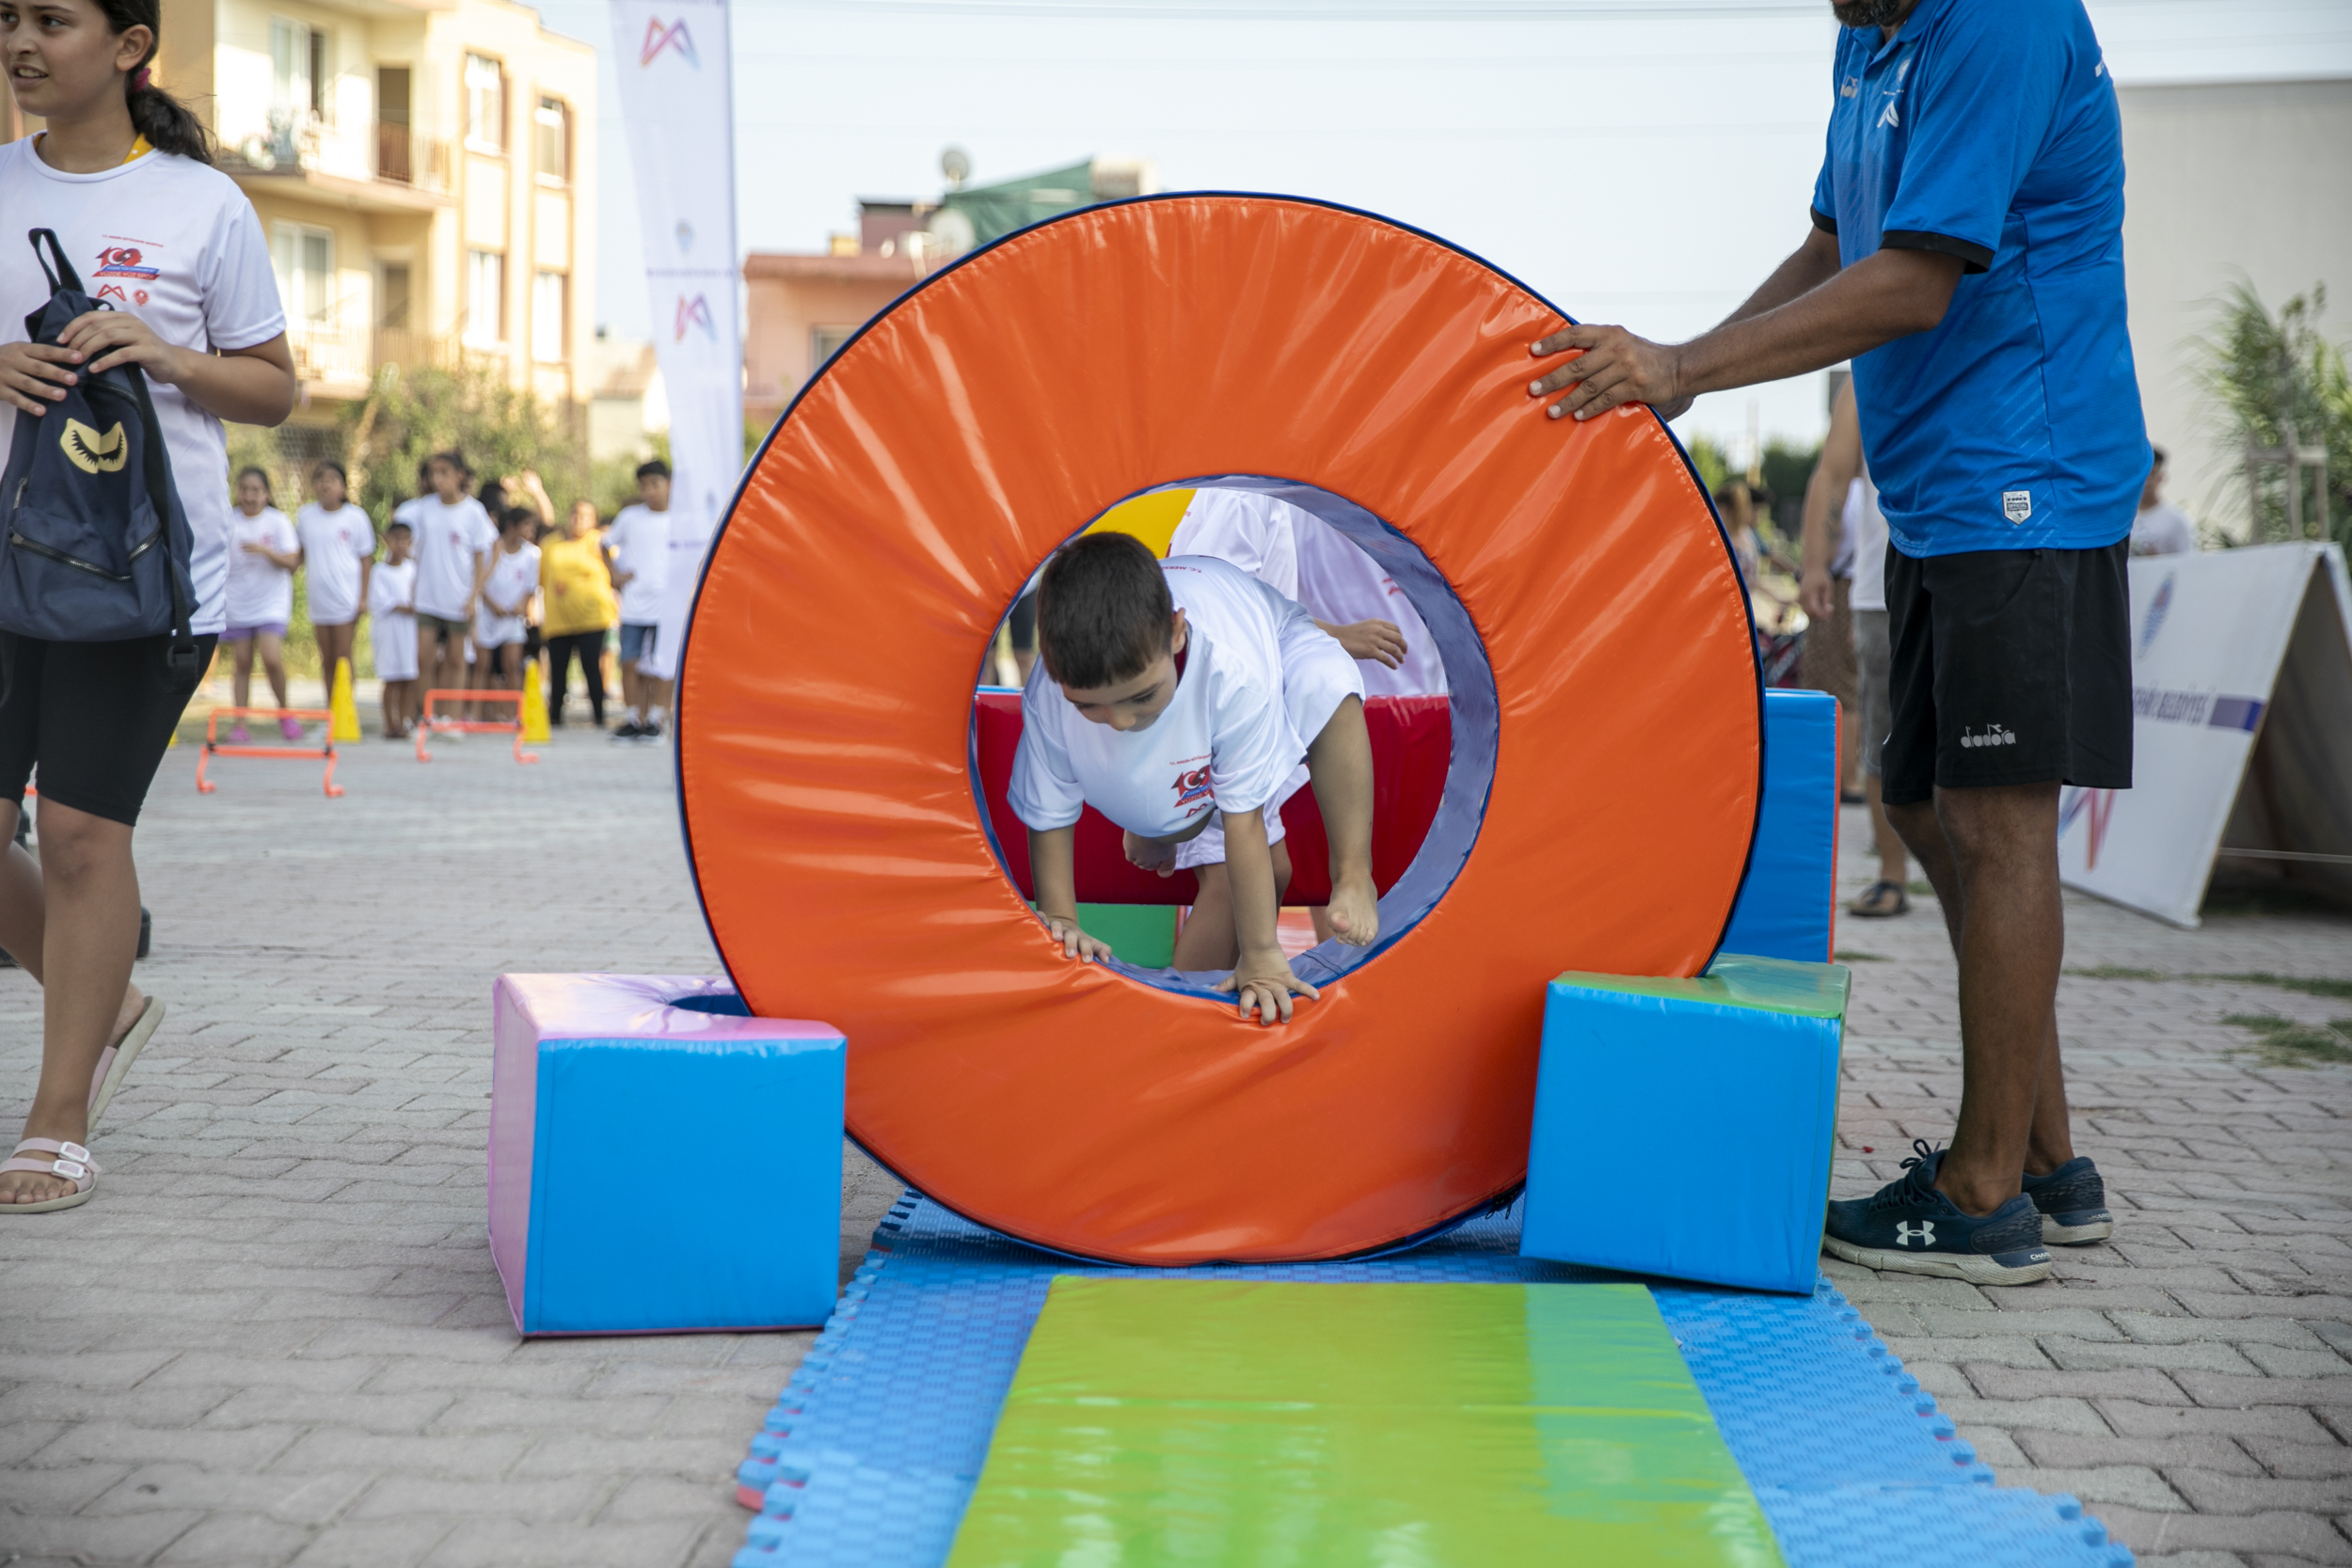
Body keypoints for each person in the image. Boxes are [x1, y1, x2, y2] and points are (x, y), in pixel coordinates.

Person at [1527, 0, 2142, 1284]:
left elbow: (1913, 280)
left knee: (1997, 821)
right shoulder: (1873, 33)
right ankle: (2046, 1156)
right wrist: (1684, 374)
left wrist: (1688, 362)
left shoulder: (2002, 23)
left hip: (2026, 476)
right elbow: (1831, 241)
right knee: (1913, 800)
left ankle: (1983, 1193)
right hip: (1931, 492)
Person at [0, 0, 296, 1210]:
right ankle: (103, 994)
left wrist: (167, 355)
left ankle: (59, 1117)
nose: (21, 42)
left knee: (78, 836)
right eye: (8, 17)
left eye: (52, 20)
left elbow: (273, 387)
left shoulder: (200, 204)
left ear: (129, 46)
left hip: (140, 579)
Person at [1009, 532, 1379, 1023]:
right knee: (1155, 752)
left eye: (1140, 696)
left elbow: (1242, 821)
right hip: (1174, 710)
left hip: (1273, 641)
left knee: (1327, 681)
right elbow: (1049, 814)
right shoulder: (1049, 694)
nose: (1119, 721)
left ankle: (1353, 873)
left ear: (1177, 632)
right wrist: (1059, 918)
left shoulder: (1233, 672)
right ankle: (1159, 822)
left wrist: (1261, 955)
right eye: (1088, 705)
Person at [1166, 488, 1441, 945]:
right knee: (1227, 882)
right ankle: (1343, 881)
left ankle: (1341, 886)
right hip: (1213, 714)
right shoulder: (1243, 497)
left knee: (1271, 870)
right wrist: (1336, 636)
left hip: (1232, 707)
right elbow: (1217, 611)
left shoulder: (1260, 495)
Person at [1803, 380, 1910, 916]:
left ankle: (1977, 872)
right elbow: (1833, 472)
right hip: (1881, 587)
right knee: (1882, 733)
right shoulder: (1868, 369)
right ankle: (1892, 873)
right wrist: (1815, 564)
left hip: (1980, 568)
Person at [407, 451, 495, 712]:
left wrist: (473, 595)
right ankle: (426, 715)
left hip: (459, 597)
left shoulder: (473, 511)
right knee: (423, 657)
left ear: (459, 476)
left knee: (456, 659)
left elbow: (483, 556)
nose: (438, 479)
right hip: (427, 595)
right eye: (434, 473)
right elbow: (414, 550)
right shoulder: (423, 509)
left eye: (444, 473)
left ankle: (452, 715)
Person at [223, 467, 302, 742]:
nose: (249, 496)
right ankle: (240, 724)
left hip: (271, 602)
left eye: (255, 490)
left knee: (271, 658)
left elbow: (292, 562)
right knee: (242, 663)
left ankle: (285, 714)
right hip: (238, 602)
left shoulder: (277, 521)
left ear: (266, 494)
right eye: (244, 489)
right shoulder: (229, 520)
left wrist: (264, 550)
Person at [605, 459, 673, 745]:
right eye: (644, 486)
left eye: (655, 484)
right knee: (629, 662)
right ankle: (633, 718)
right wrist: (614, 575)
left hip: (666, 606)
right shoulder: (630, 517)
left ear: (669, 484)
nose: (650, 491)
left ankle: (657, 720)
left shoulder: (680, 519)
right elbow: (604, 544)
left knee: (662, 665)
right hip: (634, 605)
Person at [293, 460, 373, 696]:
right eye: (321, 479)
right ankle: (331, 707)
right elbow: (299, 554)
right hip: (319, 598)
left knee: (343, 656)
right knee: (326, 658)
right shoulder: (306, 516)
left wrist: (363, 597)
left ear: (343, 488)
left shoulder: (355, 517)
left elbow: (365, 559)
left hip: (346, 597)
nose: (325, 484)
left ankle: (345, 707)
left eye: (332, 480)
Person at [540, 499, 616, 727]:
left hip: (591, 617)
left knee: (591, 665)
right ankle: (555, 716)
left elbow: (615, 568)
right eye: (575, 513)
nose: (579, 519)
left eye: (586, 515)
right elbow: (542, 578)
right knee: (558, 668)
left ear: (594, 520)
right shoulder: (550, 544)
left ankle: (599, 716)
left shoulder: (599, 542)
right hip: (559, 618)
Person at [472, 506, 540, 696]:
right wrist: (493, 605)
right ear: (511, 526)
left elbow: (530, 587)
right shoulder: (492, 549)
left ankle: (513, 710)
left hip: (512, 617)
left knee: (512, 664)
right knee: (482, 665)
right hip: (487, 614)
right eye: (526, 525)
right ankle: (477, 710)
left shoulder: (532, 554)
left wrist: (521, 605)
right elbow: (480, 579)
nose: (530, 531)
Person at [367, 520, 420, 737]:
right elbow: (379, 602)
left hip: (409, 630)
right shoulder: (379, 571)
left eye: (405, 540)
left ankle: (406, 722)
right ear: (387, 541)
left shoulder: (413, 569)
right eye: (396, 540)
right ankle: (390, 724)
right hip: (388, 629)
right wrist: (403, 607)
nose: (401, 545)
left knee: (409, 677)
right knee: (391, 677)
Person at [2131, 447, 2196, 557]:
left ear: (2161, 477)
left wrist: (2158, 560)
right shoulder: (2123, 517)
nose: (2146, 481)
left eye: (2152, 474)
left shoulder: (2177, 518)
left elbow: (2189, 560)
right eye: (2142, 474)